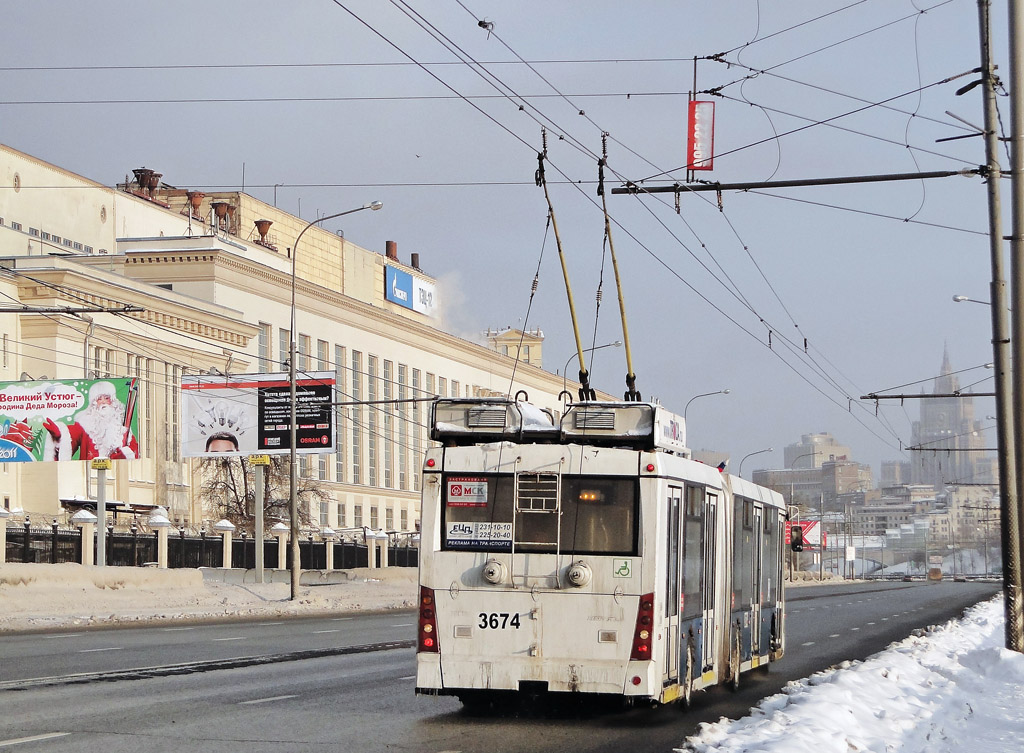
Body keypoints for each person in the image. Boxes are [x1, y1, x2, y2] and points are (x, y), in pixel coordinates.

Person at [43, 381, 138, 460]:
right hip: (89, 476)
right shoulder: (85, 423)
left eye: (107, 398)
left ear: (112, 401)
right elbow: (71, 435)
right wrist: (60, 434)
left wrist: (124, 454)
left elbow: (135, 450)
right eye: (99, 399)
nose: (103, 402)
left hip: (118, 475)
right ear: (94, 403)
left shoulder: (121, 426)